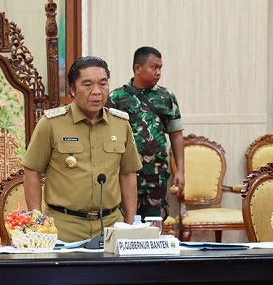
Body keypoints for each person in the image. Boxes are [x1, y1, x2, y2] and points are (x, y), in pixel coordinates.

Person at [21, 56, 142, 242]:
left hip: (111, 226)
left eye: (103, 84)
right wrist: (37, 223)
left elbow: (128, 173)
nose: (96, 92)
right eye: (87, 85)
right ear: (72, 89)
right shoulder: (52, 123)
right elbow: (32, 171)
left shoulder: (120, 124)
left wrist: (130, 223)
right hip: (64, 228)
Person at [108, 46, 184, 219]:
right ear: (137, 68)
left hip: (155, 177)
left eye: (160, 68)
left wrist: (180, 171)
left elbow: (176, 134)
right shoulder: (116, 98)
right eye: (154, 67)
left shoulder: (166, 97)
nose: (158, 72)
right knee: (125, 226)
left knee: (154, 228)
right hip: (125, 176)